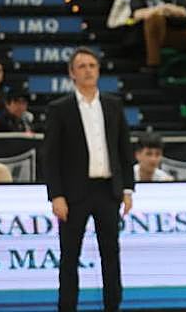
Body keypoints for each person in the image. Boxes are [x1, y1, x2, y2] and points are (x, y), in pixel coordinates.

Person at [43, 48, 133, 312]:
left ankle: (112, 307)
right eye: (81, 66)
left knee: (111, 256)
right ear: (72, 73)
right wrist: (56, 195)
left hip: (108, 190)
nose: (88, 70)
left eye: (92, 65)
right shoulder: (60, 109)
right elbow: (50, 156)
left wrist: (127, 188)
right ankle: (67, 307)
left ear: (99, 70)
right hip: (73, 194)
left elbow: (124, 149)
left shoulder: (113, 105)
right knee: (70, 258)